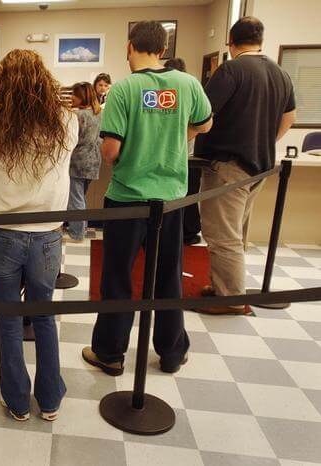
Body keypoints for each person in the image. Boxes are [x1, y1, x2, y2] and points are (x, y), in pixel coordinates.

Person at [82, 21, 213, 376]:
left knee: (118, 278)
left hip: (128, 198)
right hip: (171, 199)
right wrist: (174, 138)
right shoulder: (188, 84)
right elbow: (206, 123)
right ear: (164, 48)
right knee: (168, 275)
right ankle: (171, 353)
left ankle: (110, 354)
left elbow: (110, 152)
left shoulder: (124, 90)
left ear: (129, 47)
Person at [0, 49, 78, 421]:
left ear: (2, 85)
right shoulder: (67, 120)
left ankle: (16, 400)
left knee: (9, 319)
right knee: (45, 317)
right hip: (48, 235)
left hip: (3, 234)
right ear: (44, 79)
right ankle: (50, 399)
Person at [193, 17, 296, 315]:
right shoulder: (280, 73)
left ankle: (232, 298)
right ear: (260, 40)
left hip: (229, 164)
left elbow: (203, 114)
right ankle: (221, 286)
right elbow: (289, 117)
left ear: (231, 42)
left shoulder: (231, 69)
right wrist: (264, 139)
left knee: (222, 234)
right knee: (234, 230)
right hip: (260, 164)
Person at [164, 58, 202, 246]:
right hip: (186, 154)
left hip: (183, 154)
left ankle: (186, 232)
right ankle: (187, 232)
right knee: (187, 197)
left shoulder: (186, 90)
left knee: (182, 197)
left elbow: (202, 123)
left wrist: (175, 141)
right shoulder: (191, 89)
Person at [64, 81, 102, 242]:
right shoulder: (98, 113)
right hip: (93, 160)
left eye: (74, 94)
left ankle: (77, 233)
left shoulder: (78, 116)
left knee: (75, 199)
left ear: (82, 96)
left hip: (78, 161)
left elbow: (71, 139)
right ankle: (81, 227)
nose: (71, 97)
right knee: (81, 197)